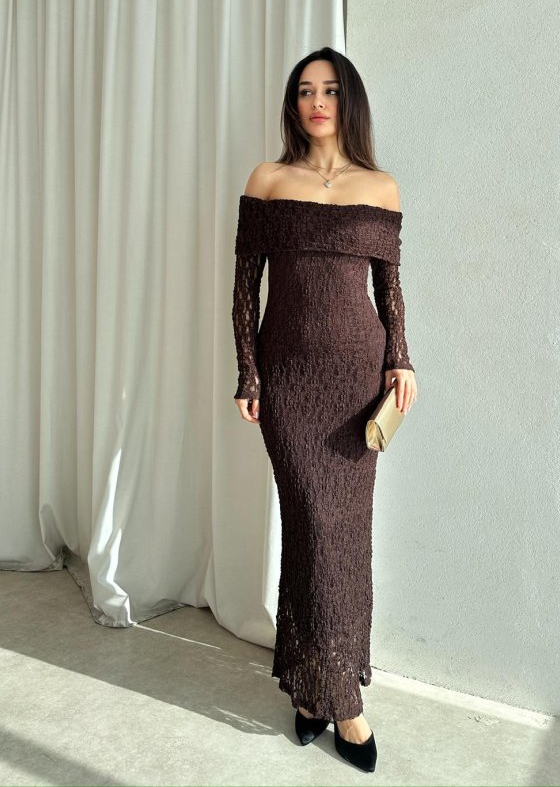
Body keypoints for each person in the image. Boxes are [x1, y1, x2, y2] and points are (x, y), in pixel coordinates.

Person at [231, 46, 417, 773]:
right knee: (309, 523)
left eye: (330, 90)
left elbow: (389, 291)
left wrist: (401, 359)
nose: (317, 102)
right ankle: (340, 701)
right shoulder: (267, 180)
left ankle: (321, 692)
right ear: (293, 103)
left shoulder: (381, 186)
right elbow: (245, 290)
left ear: (349, 101)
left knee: (343, 535)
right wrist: (248, 374)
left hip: (357, 383)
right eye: (305, 90)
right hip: (287, 380)